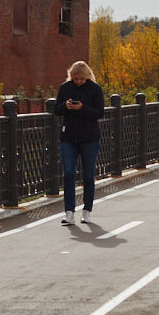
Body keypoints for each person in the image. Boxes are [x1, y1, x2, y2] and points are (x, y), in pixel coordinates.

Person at [54, 61, 105, 225]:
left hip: (89, 138)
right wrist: (65, 106)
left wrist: (82, 108)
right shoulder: (65, 88)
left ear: (87, 76)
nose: (78, 82)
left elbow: (99, 112)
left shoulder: (95, 89)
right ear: (71, 76)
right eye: (75, 79)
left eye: (82, 79)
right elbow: (56, 110)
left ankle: (87, 211)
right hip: (68, 137)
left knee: (88, 175)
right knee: (68, 173)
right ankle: (69, 212)